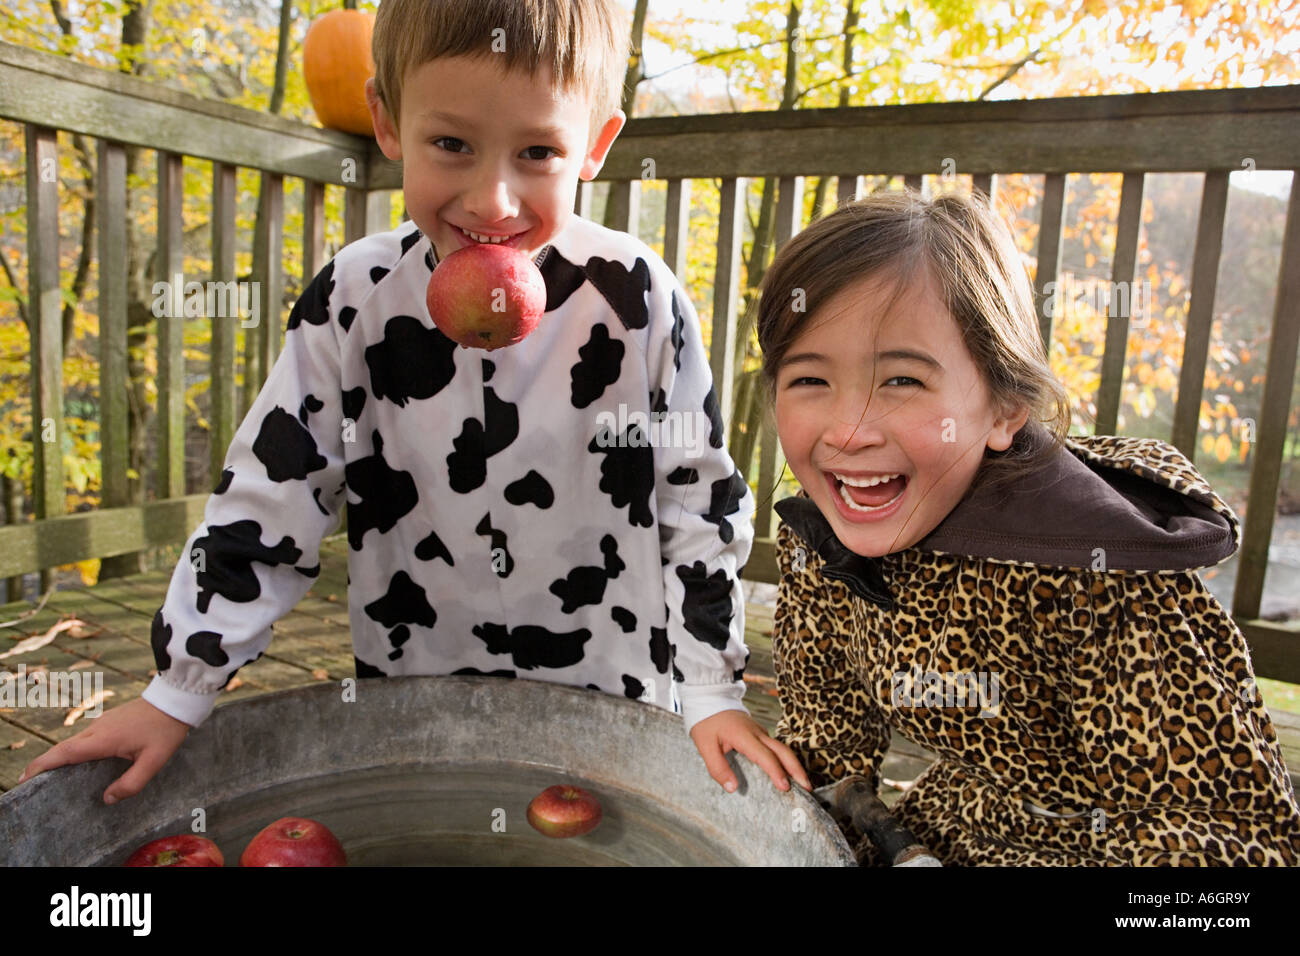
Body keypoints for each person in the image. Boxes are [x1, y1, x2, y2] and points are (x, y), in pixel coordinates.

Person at [21, 0, 811, 804]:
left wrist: (711, 689)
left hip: (614, 694)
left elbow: (698, 501)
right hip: (417, 690)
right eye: (451, 145)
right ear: (388, 122)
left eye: (537, 151)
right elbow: (275, 490)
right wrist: (178, 688)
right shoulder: (354, 300)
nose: (493, 199)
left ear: (596, 147)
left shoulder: (636, 302)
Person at [757, 188, 1300, 865]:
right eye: (810, 380)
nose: (850, 431)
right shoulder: (821, 543)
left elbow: (1233, 839)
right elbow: (826, 732)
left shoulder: (1093, 575)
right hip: (961, 817)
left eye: (900, 380)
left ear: (1005, 407)